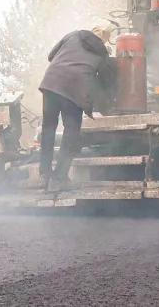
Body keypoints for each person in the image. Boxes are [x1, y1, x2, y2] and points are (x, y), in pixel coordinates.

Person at [37, 21, 117, 192]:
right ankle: (58, 179)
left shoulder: (73, 35)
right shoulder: (102, 52)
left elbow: (51, 56)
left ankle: (44, 175)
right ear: (105, 36)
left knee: (48, 129)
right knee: (71, 133)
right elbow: (106, 80)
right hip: (75, 88)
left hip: (51, 82)